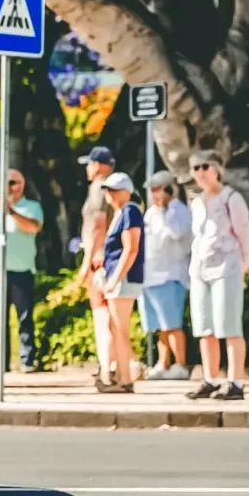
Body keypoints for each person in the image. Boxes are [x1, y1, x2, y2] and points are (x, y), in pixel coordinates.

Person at [186, 149, 249, 400]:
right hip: (200, 269)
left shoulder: (231, 198)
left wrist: (243, 266)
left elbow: (245, 235)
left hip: (227, 267)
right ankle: (210, 378)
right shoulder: (196, 202)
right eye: (196, 168)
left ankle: (235, 382)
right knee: (204, 328)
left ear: (217, 169)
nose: (201, 172)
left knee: (230, 326)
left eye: (206, 166)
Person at [0, 169, 45, 373]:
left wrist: (10, 211)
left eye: (15, 182)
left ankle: (27, 360)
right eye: (8, 183)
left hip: (22, 270)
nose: (12, 187)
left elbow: (33, 228)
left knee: (24, 318)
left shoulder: (32, 207)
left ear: (23, 184)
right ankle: (1, 361)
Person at [93, 173, 144, 393]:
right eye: (108, 190)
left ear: (127, 191)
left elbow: (131, 249)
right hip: (117, 276)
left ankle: (125, 380)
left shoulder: (130, 211)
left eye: (114, 190)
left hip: (124, 278)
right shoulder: (120, 213)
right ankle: (121, 377)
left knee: (120, 329)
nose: (110, 194)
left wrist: (114, 279)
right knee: (114, 328)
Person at [140, 171, 192, 380]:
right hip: (150, 275)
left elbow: (177, 232)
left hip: (170, 275)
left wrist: (165, 210)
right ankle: (163, 363)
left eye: (157, 190)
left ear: (170, 189)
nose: (153, 194)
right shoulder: (151, 212)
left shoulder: (179, 211)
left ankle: (180, 364)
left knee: (172, 324)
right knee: (160, 325)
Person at [78, 146, 117, 382]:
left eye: (90, 163)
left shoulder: (98, 188)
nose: (87, 168)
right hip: (108, 257)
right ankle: (112, 363)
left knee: (102, 315)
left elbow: (98, 226)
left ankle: (108, 366)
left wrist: (86, 262)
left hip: (99, 259)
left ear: (100, 166)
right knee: (109, 314)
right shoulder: (112, 188)